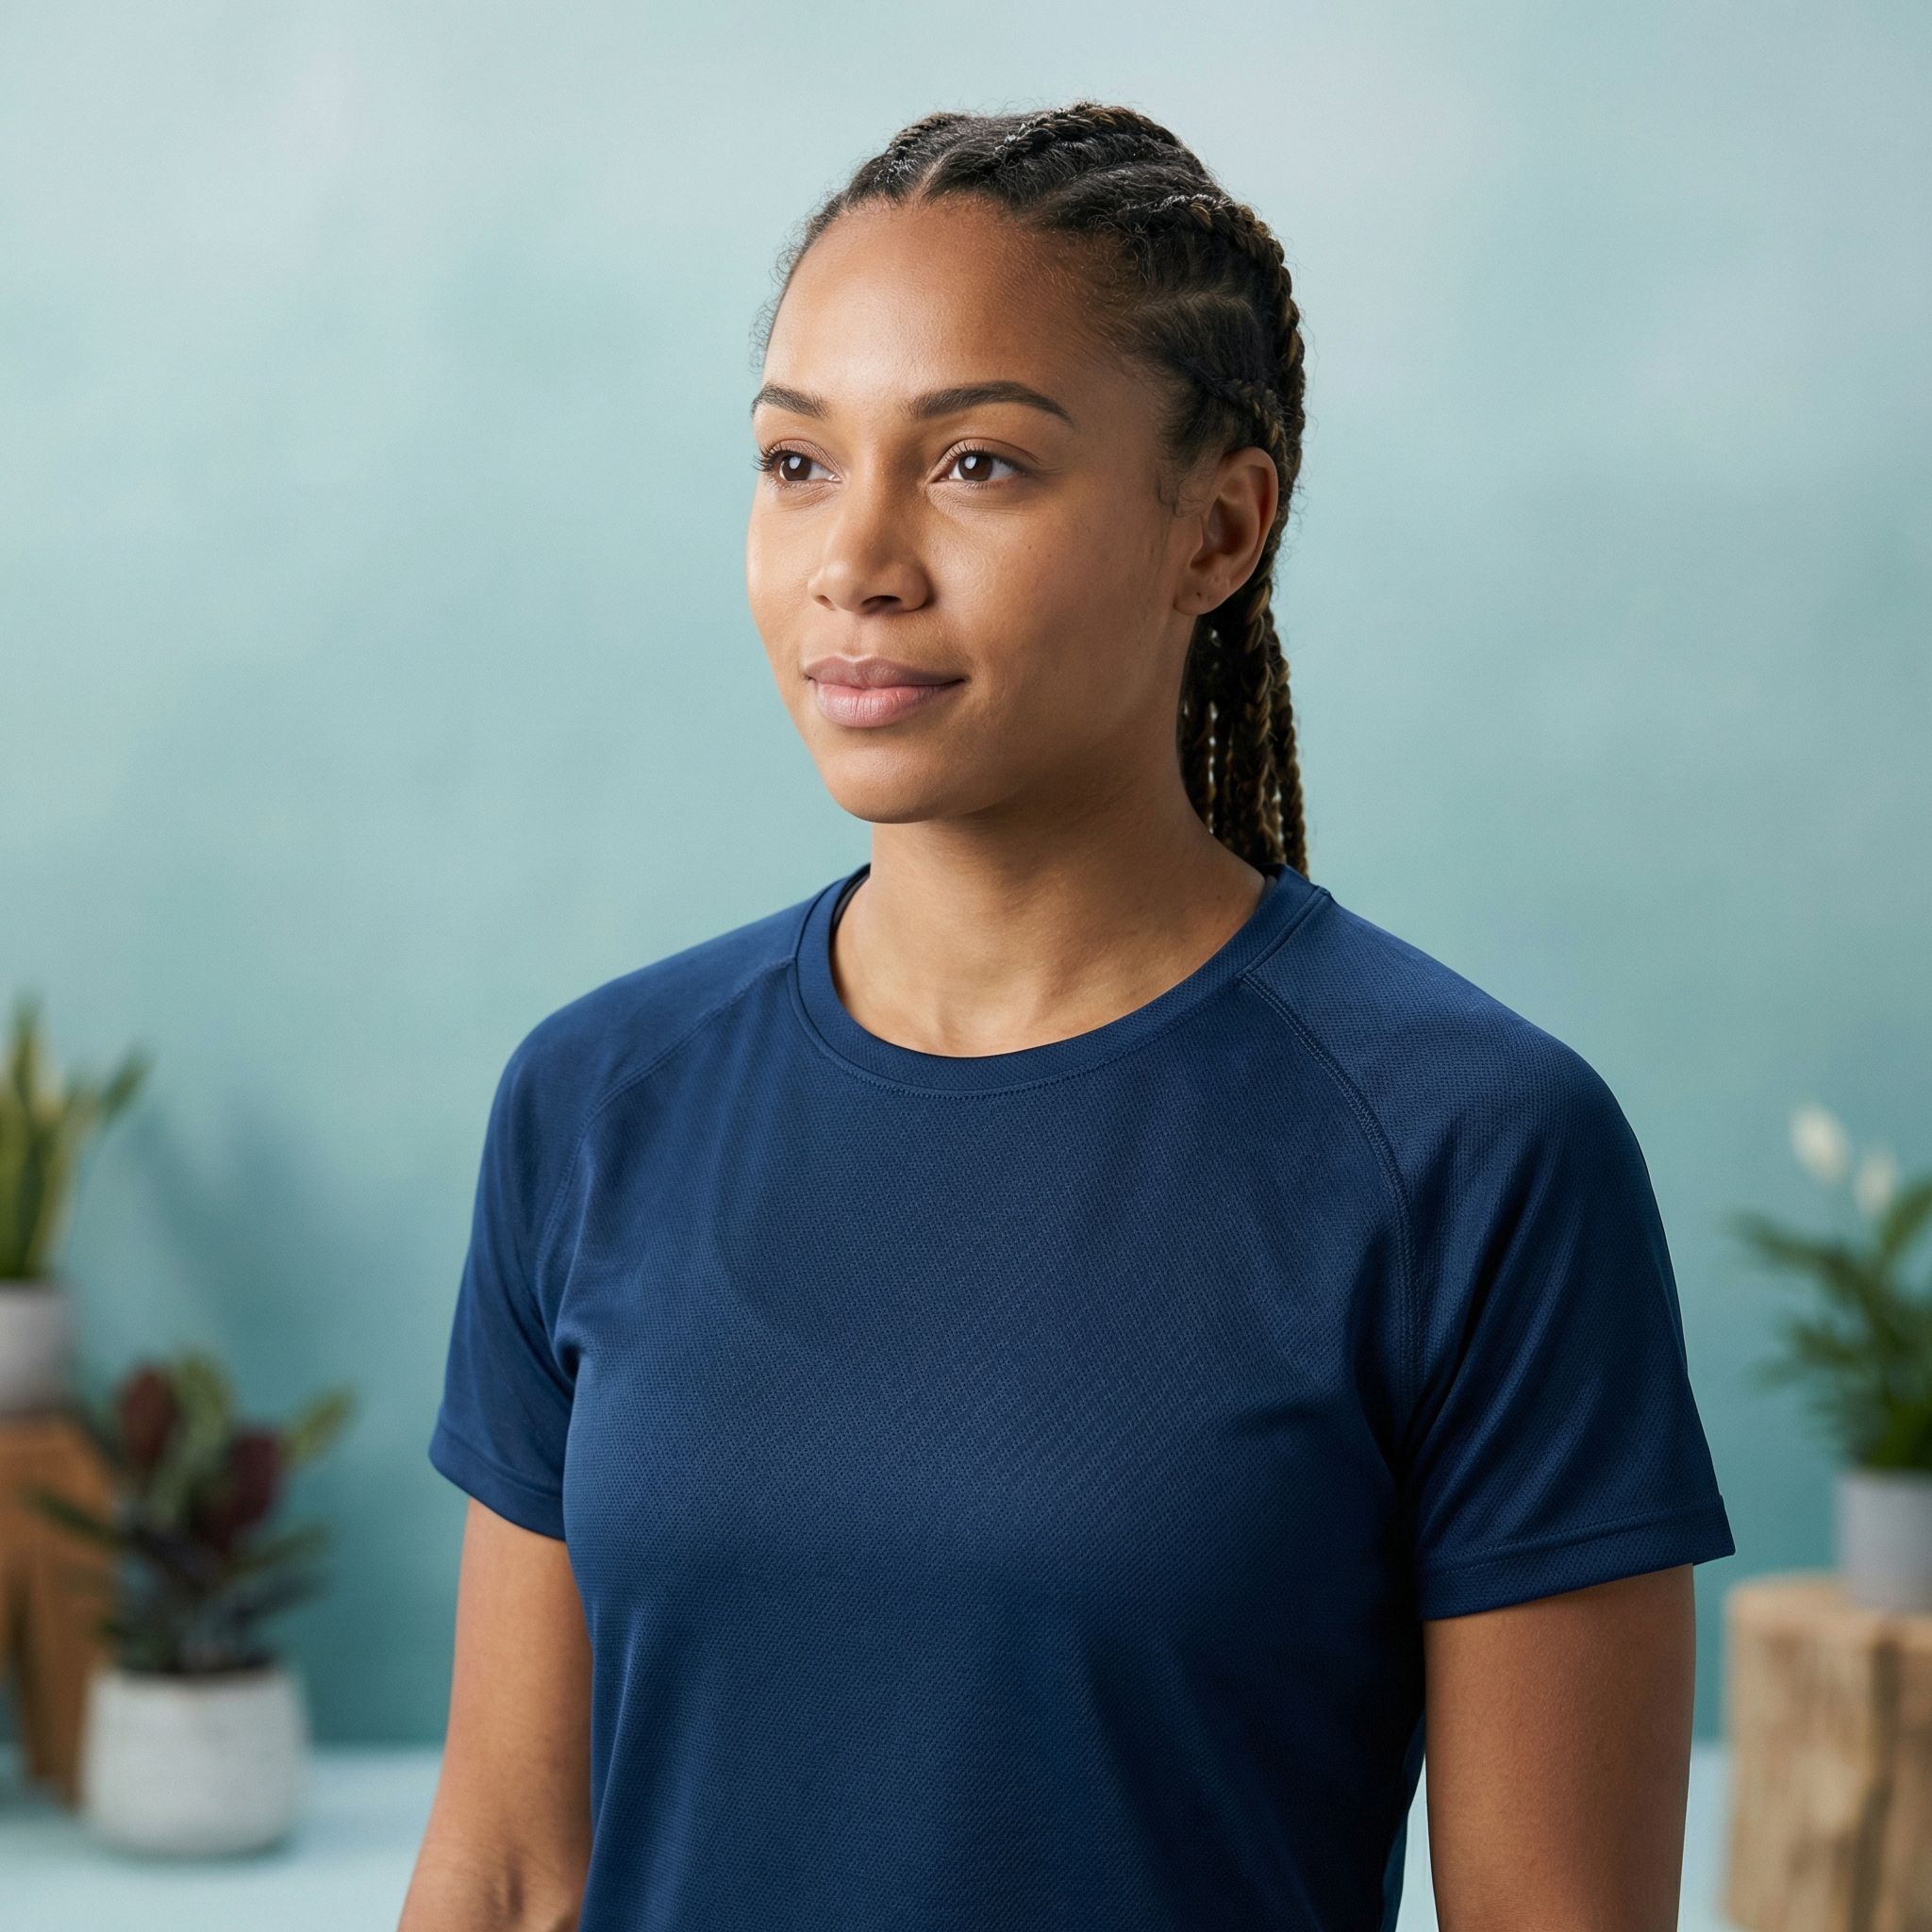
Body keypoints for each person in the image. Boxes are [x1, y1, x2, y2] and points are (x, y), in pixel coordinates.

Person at [401, 100, 1735, 1932]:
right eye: (796, 462)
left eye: (976, 467)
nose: (853, 559)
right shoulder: (598, 1100)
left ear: (1218, 527)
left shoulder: (1470, 1153)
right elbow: (506, 1869)